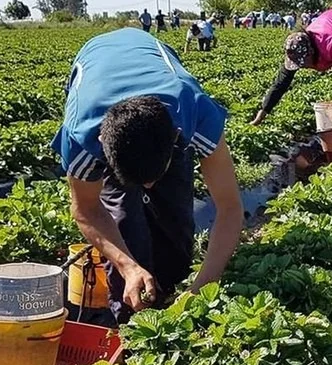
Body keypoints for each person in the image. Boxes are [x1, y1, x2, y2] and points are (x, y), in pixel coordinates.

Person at [51, 28, 242, 326]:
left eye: (155, 175)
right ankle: (129, 320)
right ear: (104, 148)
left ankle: (172, 289)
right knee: (124, 221)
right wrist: (128, 266)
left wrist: (200, 288)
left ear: (177, 138)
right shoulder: (80, 137)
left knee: (175, 217)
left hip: (155, 73)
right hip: (96, 68)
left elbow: (230, 207)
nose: (149, 187)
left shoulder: (195, 112)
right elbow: (87, 209)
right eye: (138, 179)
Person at [250, 7, 332, 128]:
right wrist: (264, 110)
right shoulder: (294, 51)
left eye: (303, 63)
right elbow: (281, 83)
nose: (303, 67)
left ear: (311, 51)